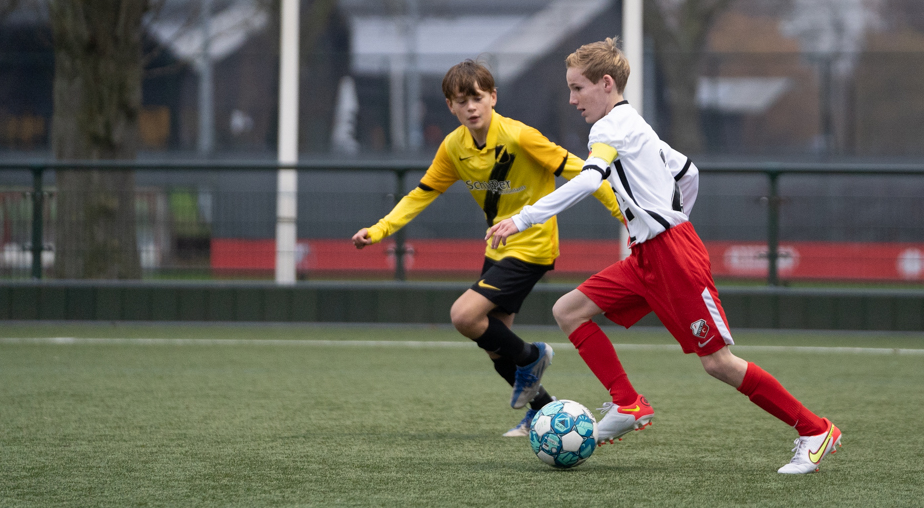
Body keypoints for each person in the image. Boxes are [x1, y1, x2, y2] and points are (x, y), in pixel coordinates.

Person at [486, 39, 841, 474]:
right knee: (569, 311)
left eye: (578, 88)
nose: (573, 99)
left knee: (718, 363)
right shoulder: (634, 124)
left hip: (672, 256)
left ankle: (814, 429)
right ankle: (628, 404)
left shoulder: (610, 128)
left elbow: (588, 179)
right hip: (649, 254)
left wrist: (522, 219)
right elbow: (687, 172)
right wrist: (670, 220)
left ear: (606, 83)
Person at [352, 58, 624, 437]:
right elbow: (421, 194)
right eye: (461, 101)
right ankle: (542, 410)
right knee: (494, 343)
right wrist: (380, 230)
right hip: (498, 249)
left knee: (464, 316)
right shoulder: (454, 147)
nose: (471, 107)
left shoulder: (520, 137)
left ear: (493, 97)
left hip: (532, 246)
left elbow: (585, 173)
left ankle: (534, 355)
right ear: (450, 106)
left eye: (477, 97)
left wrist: (625, 215)